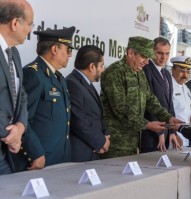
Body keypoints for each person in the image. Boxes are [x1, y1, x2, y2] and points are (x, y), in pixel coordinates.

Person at [100, 36, 181, 158]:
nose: (147, 62)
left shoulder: (140, 73)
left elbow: (150, 99)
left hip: (134, 142)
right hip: (116, 144)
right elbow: (120, 107)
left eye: (148, 58)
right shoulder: (115, 72)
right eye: (144, 57)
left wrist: (168, 117)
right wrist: (147, 124)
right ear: (131, 53)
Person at [12, 26, 76, 171]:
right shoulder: (33, 74)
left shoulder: (59, 78)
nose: (70, 55)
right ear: (54, 49)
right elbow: (22, 119)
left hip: (61, 157)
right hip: (40, 159)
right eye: (68, 49)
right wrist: (35, 154)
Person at [0, 0, 33, 174]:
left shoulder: (15, 53)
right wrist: (10, 136)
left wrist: (20, 127)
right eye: (29, 24)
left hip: (7, 152)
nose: (30, 30)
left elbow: (21, 96)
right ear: (14, 23)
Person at [66, 45, 110, 162]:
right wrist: (100, 141)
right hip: (81, 151)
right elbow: (79, 120)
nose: (102, 69)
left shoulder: (86, 83)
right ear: (91, 66)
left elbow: (97, 115)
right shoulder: (72, 83)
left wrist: (105, 135)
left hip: (92, 148)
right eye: (101, 66)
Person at [142, 37, 180, 153]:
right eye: (160, 53)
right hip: (151, 134)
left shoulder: (167, 74)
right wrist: (159, 131)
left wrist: (172, 131)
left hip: (166, 134)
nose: (164, 57)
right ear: (152, 51)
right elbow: (149, 103)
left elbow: (169, 104)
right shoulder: (145, 70)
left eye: (167, 53)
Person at [170, 56, 191, 146]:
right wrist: (173, 133)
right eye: (182, 71)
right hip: (174, 135)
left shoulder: (186, 88)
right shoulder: (169, 86)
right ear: (173, 70)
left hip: (185, 134)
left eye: (188, 71)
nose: (185, 75)